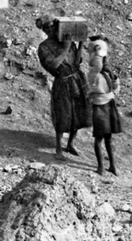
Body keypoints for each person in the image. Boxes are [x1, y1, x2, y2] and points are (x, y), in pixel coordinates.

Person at [36, 13, 92, 160]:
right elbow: (53, 65)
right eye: (47, 28)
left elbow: (77, 61)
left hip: (77, 78)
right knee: (63, 114)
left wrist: (80, 44)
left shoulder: (66, 41)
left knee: (78, 113)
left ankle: (71, 143)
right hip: (62, 82)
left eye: (53, 27)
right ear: (44, 30)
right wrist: (66, 48)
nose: (51, 30)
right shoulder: (44, 47)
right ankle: (58, 148)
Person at [87, 36, 122, 175]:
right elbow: (113, 88)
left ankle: (107, 166)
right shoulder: (96, 74)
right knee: (102, 138)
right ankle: (104, 166)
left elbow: (114, 88)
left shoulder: (100, 74)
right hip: (103, 105)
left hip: (104, 105)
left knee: (104, 138)